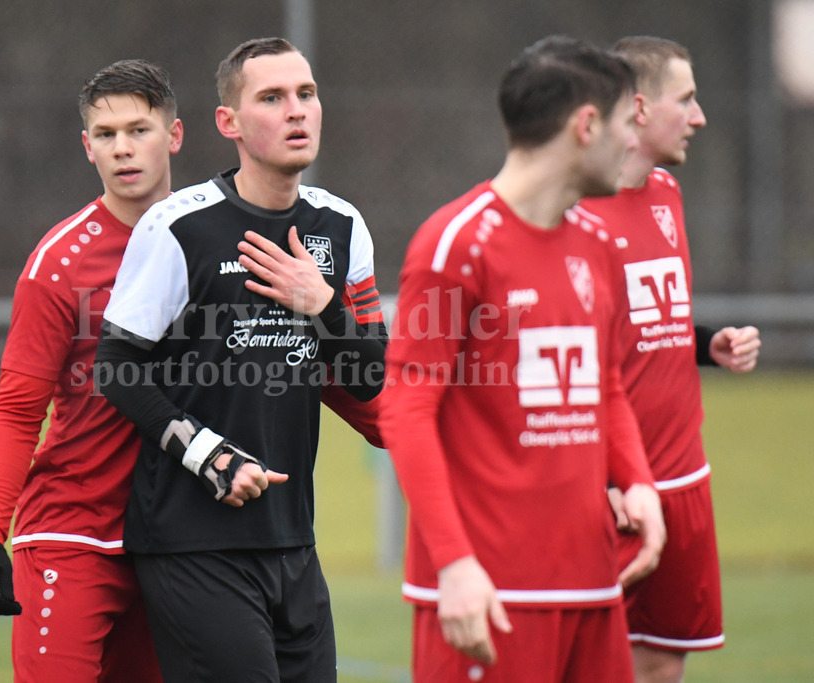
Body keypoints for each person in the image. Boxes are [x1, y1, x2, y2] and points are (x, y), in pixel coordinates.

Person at [95, 37, 387, 681]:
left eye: (306, 94)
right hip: (192, 542)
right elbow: (115, 365)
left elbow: (371, 376)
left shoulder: (341, 225)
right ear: (229, 123)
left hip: (294, 542)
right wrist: (208, 455)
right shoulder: (178, 226)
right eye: (272, 98)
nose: (296, 112)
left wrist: (323, 303)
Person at [378, 36, 667, 682]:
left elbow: (606, 383)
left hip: (594, 586)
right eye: (627, 123)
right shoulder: (453, 245)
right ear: (585, 126)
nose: (632, 142)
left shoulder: (596, 242)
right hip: (486, 596)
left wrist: (638, 480)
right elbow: (405, 409)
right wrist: (453, 564)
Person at [0, 59, 182, 682]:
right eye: (106, 135)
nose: (123, 149)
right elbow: (15, 411)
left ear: (174, 135)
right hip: (74, 534)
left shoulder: (214, 242)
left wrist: (387, 417)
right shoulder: (59, 264)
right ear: (87, 148)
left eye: (138, 130)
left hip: (179, 542)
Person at [575, 36, 761, 683]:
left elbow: (649, 321)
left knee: (660, 661)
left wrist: (705, 340)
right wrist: (610, 476)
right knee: (579, 661)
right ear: (638, 107)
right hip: (611, 494)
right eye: (686, 100)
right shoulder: (572, 212)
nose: (700, 116)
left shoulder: (666, 193)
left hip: (684, 481)